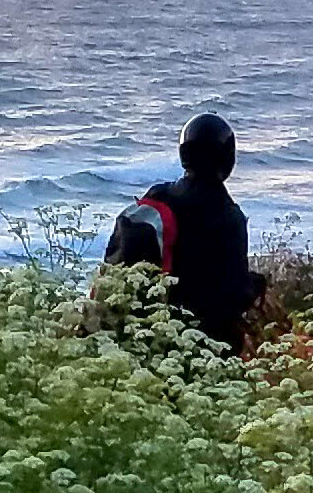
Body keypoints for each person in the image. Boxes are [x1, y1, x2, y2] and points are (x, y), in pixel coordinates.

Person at [104, 112, 265, 353]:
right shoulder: (228, 216)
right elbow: (232, 297)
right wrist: (255, 286)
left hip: (142, 331)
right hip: (196, 344)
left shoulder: (159, 195)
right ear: (227, 157)